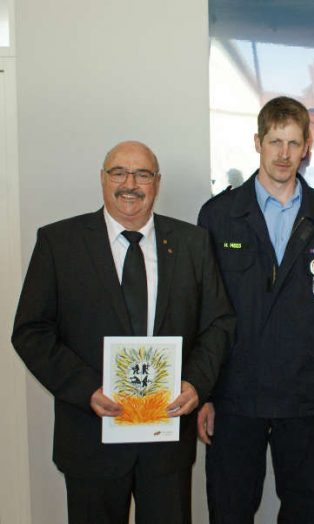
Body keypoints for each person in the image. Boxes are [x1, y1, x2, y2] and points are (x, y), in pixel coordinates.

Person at [12, 141, 236, 524]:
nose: (130, 183)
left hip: (165, 441)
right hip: (91, 437)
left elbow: (219, 323)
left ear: (157, 183)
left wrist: (196, 383)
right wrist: (86, 390)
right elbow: (31, 331)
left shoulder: (192, 244)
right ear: (103, 179)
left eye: (143, 174)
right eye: (119, 172)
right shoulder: (59, 243)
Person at [197, 96, 314, 523]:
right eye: (274, 142)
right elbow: (204, 312)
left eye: (293, 143)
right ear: (257, 143)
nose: (284, 154)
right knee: (229, 510)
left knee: (303, 511)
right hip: (234, 396)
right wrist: (203, 391)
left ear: (307, 147)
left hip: (305, 395)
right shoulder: (219, 215)